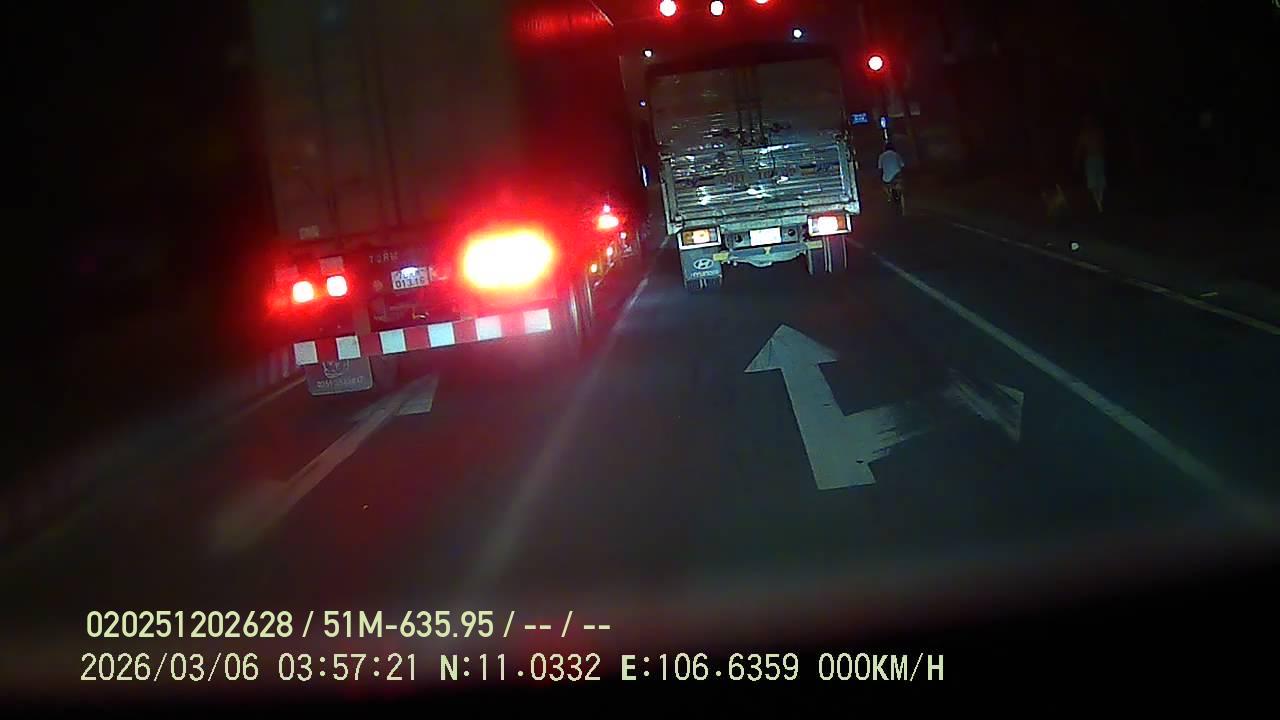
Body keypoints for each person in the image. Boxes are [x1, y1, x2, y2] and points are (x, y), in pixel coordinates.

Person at [1075, 118, 1106, 213]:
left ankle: (1099, 201)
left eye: (1089, 121)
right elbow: (1079, 148)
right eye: (1087, 122)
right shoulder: (1084, 134)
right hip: (1090, 159)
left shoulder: (1097, 132)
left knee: (1100, 182)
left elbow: (1103, 144)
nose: (1088, 124)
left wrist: (1103, 155)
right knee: (1093, 183)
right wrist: (1076, 160)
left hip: (1098, 158)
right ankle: (1098, 202)